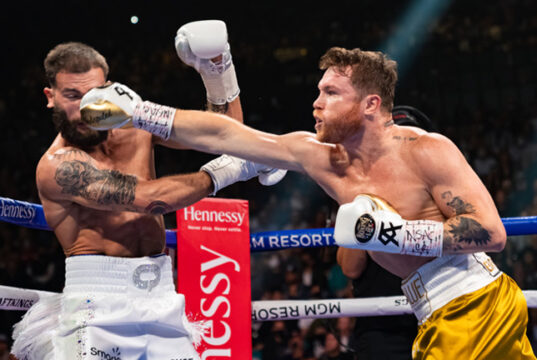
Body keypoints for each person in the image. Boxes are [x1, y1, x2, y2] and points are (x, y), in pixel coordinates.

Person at [82, 29, 536, 358]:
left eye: (331, 92)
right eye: (319, 90)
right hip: (434, 312)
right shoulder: (319, 155)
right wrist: (143, 113)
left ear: (371, 104)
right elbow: (228, 137)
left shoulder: (425, 149)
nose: (316, 101)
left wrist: (399, 235)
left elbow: (491, 233)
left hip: (476, 305)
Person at [10, 34, 286, 360]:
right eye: (72, 95)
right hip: (97, 305)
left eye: (93, 94)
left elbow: (224, 133)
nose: (84, 107)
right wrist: (227, 171)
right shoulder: (59, 166)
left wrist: (217, 70)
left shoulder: (134, 122)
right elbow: (149, 199)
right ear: (50, 96)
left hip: (161, 295)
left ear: (109, 87)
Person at [337, 106, 433, 360]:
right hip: (382, 323)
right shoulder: (362, 193)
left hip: (437, 312)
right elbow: (350, 269)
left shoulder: (437, 189)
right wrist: (362, 208)